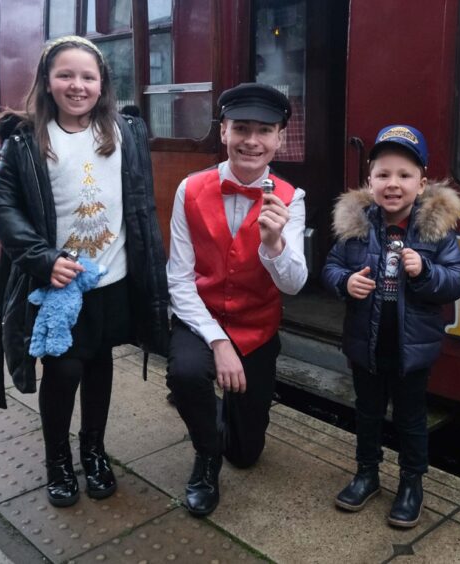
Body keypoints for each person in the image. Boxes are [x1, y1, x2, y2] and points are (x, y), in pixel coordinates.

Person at [0, 35, 169, 508]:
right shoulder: (26, 140)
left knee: (100, 364)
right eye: (65, 75)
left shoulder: (124, 131)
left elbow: (141, 204)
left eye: (88, 76)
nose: (77, 85)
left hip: (112, 279)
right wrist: (44, 261)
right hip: (59, 287)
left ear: (102, 82)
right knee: (64, 370)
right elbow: (0, 207)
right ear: (47, 82)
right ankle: (57, 458)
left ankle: (93, 450)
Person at [165, 83, 307, 517]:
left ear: (279, 139)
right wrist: (217, 342)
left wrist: (274, 245)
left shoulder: (292, 198)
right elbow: (179, 280)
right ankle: (205, 458)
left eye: (264, 130)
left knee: (246, 454)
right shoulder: (189, 188)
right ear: (222, 132)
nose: (251, 140)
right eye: (241, 128)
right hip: (200, 315)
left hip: (257, 325)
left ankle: (223, 420)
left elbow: (294, 285)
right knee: (187, 372)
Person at [321, 125, 460, 528]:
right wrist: (344, 283)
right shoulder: (356, 228)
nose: (393, 184)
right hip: (365, 344)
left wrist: (425, 273)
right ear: (369, 182)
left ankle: (411, 483)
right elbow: (331, 268)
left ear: (421, 184)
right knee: (367, 413)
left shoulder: (435, 233)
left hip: (412, 349)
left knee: (411, 418)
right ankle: (367, 473)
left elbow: (458, 279)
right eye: (383, 175)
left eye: (404, 176)